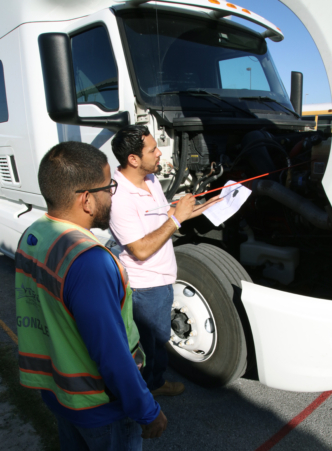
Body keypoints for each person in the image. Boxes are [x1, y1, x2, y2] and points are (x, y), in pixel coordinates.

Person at [15, 141, 167, 451]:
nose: (113, 194)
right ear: (86, 200)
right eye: (109, 186)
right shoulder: (89, 261)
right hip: (99, 408)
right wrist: (147, 411)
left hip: (59, 394)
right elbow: (110, 353)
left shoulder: (33, 235)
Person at [110, 125, 220, 397]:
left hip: (160, 279)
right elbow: (140, 250)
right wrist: (177, 218)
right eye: (152, 149)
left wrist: (201, 206)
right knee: (153, 344)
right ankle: (151, 388)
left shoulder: (149, 179)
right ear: (133, 159)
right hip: (146, 287)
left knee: (154, 341)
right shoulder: (119, 198)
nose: (160, 153)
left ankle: (149, 383)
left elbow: (163, 217)